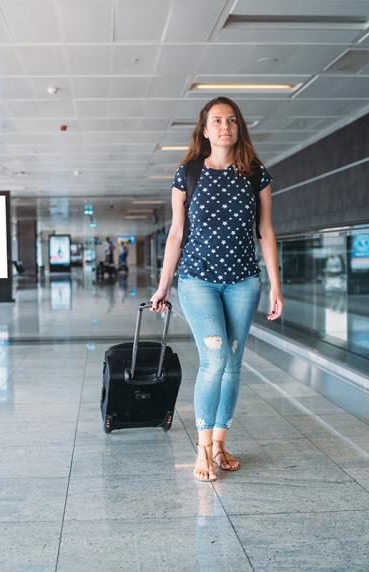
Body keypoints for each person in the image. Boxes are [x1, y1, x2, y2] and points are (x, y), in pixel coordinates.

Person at [149, 96, 283, 481]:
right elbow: (176, 233)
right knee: (215, 358)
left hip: (243, 280)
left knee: (233, 363)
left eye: (231, 120)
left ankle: (221, 445)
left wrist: (276, 284)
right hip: (197, 279)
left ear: (238, 128)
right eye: (217, 120)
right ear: (205, 130)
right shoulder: (187, 173)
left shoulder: (256, 173)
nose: (225, 126)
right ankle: (203, 450)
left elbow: (267, 231)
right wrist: (163, 286)